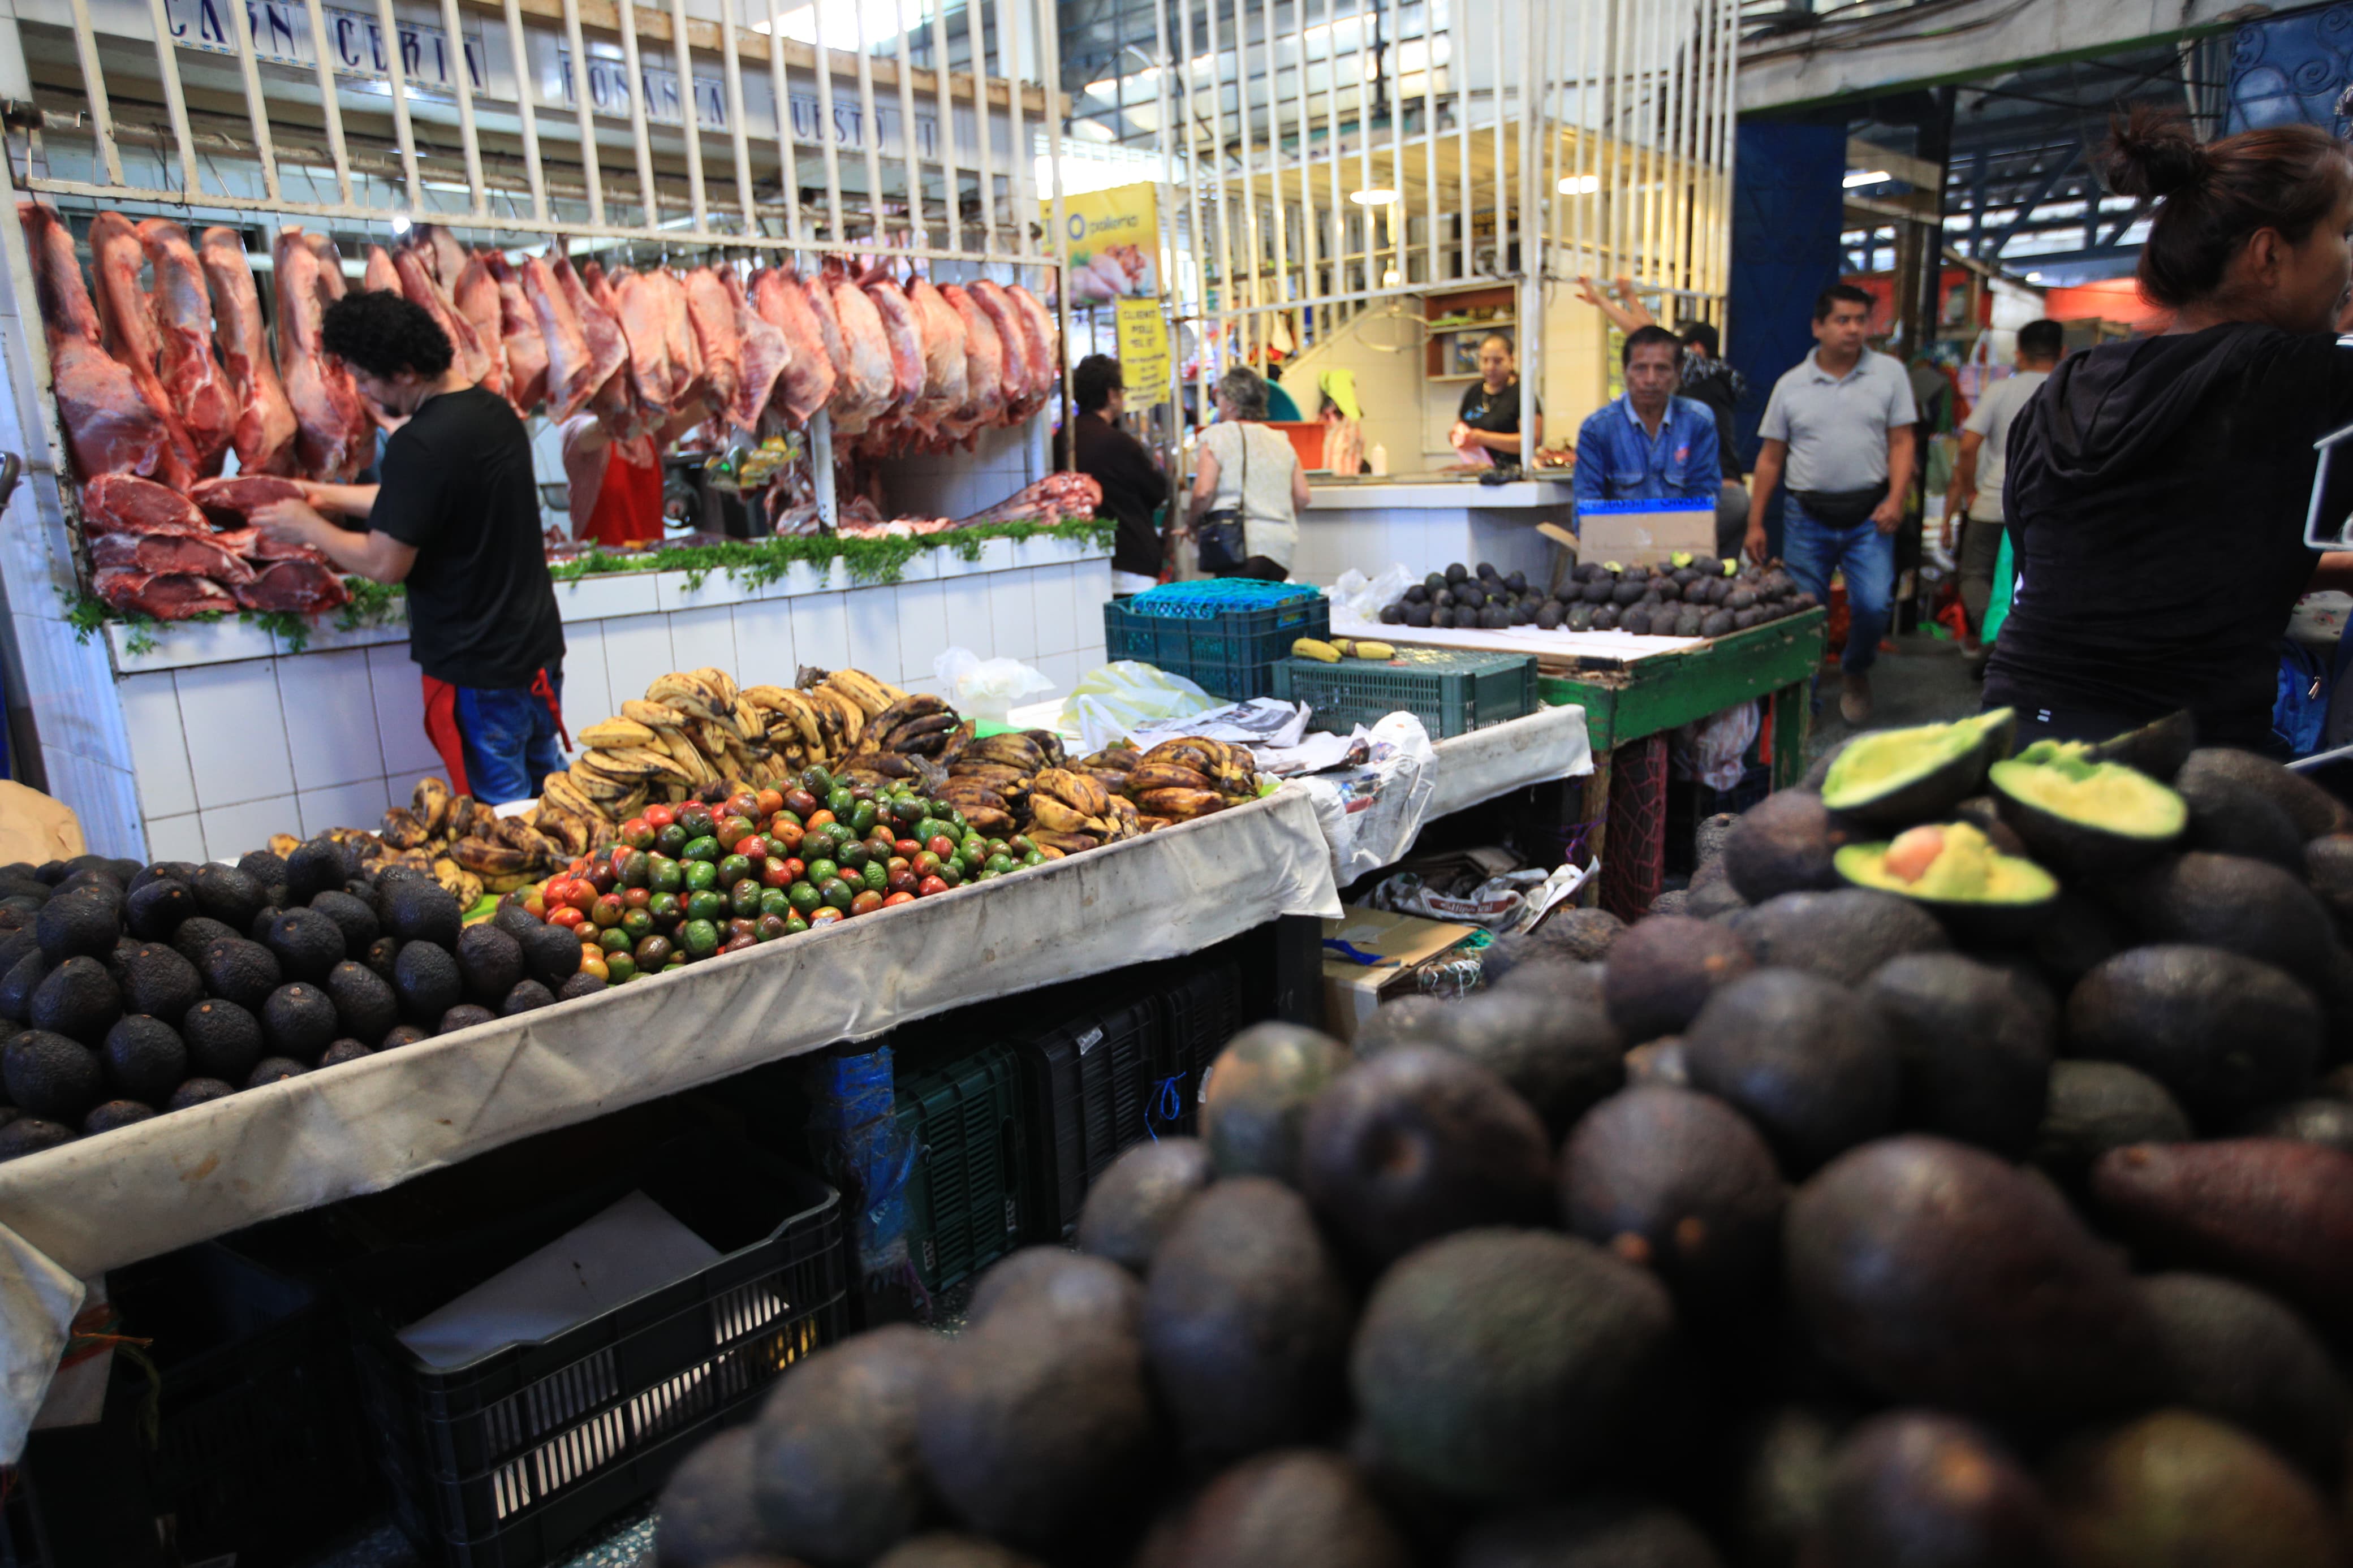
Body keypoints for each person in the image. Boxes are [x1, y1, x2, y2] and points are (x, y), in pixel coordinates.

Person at [1985, 110, 2353, 753]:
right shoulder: (2305, 376)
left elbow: (2124, 569)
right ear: (2268, 255)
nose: (2349, 263)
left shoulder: (2067, 386)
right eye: (2345, 234)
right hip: (2180, 760)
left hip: (2015, 731)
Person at [251, 290, 567, 805]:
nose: (364, 392)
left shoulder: (419, 444)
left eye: (365, 377)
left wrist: (308, 526)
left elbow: (384, 563)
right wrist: (324, 495)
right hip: (535, 656)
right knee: (553, 804)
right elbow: (418, 500)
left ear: (402, 371)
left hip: (477, 668)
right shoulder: (495, 415)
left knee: (503, 822)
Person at [1747, 284, 1919, 725]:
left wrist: (1897, 499)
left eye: (1861, 320)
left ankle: (1856, 670)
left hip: (1871, 515)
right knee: (1807, 609)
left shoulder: (1890, 375)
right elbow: (1770, 458)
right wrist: (1755, 523)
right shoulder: (1791, 385)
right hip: (1806, 515)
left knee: (1874, 604)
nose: (1854, 329)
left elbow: (1902, 442)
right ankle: (1804, 695)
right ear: (1818, 326)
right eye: (1843, 320)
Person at [1942, 318, 2063, 662]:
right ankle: (2024, 647)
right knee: (2038, 581)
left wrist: (1969, 493)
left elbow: (1967, 447)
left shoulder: (2000, 391)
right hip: (2049, 508)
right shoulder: (2071, 388)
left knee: (1975, 575)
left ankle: (1999, 640)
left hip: (1995, 501)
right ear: (2062, 352)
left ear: (2019, 354)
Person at [1572, 325, 1720, 504]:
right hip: (1618, 532)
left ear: (1678, 371)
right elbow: (1587, 509)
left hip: (1681, 531)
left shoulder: (1698, 422)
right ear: (1625, 370)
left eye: (1662, 369)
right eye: (1640, 368)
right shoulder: (1598, 429)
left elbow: (1704, 501)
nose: (1650, 380)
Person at [1188, 366, 1310, 580]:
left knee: (1236, 611)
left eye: (1221, 396)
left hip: (1238, 547)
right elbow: (1303, 496)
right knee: (1267, 611)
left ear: (1231, 402)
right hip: (1281, 552)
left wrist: (1191, 523)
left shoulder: (1217, 436)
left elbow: (1203, 492)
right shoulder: (1281, 440)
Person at [1068, 354, 1171, 595]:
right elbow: (1158, 492)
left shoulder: (1062, 441)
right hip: (1130, 563)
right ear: (1111, 394)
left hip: (1079, 561)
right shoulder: (1120, 444)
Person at [560, 400, 716, 548]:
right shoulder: (576, 426)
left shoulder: (651, 434)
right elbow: (601, 430)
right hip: (603, 568)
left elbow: (696, 412)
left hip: (651, 564)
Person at [1677, 319, 1752, 559]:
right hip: (1736, 493)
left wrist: (1620, 298)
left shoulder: (1699, 373)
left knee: (1687, 574)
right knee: (1721, 582)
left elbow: (1648, 335)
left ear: (1696, 348)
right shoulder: (1722, 379)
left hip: (1715, 497)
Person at [1452, 334, 1542, 464]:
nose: (1490, 367)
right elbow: (1460, 425)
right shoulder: (1474, 392)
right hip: (1476, 471)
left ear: (1511, 361)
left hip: (1511, 474)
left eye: (1498, 361)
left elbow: (1532, 440)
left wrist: (1484, 438)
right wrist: (1456, 436)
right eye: (1485, 360)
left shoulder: (1522, 395)